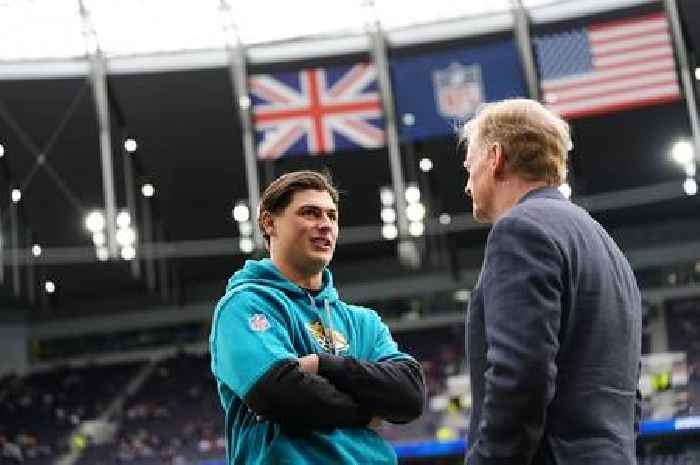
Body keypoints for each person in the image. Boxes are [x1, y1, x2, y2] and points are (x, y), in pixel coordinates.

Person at [460, 99, 642, 465]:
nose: (467, 184)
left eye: (470, 166)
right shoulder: (604, 243)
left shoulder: (519, 230)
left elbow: (522, 375)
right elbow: (628, 395)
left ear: (495, 157)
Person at [209, 170, 425, 465]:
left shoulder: (363, 322)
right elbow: (278, 392)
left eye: (332, 216)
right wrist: (365, 411)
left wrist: (323, 365)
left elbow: (409, 395)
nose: (324, 225)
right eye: (309, 213)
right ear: (269, 223)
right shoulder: (244, 305)